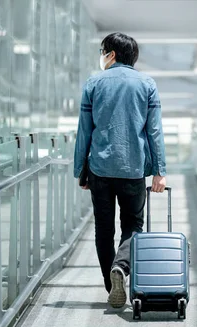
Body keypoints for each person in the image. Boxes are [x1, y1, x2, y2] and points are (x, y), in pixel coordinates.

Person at [73, 32, 167, 308]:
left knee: (104, 229)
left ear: (111, 54)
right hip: (133, 169)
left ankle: (110, 283)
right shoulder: (146, 84)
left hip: (100, 169)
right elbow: (154, 132)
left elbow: (84, 132)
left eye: (103, 51)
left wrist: (81, 169)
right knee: (133, 226)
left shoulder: (94, 83)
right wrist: (160, 170)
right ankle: (122, 269)